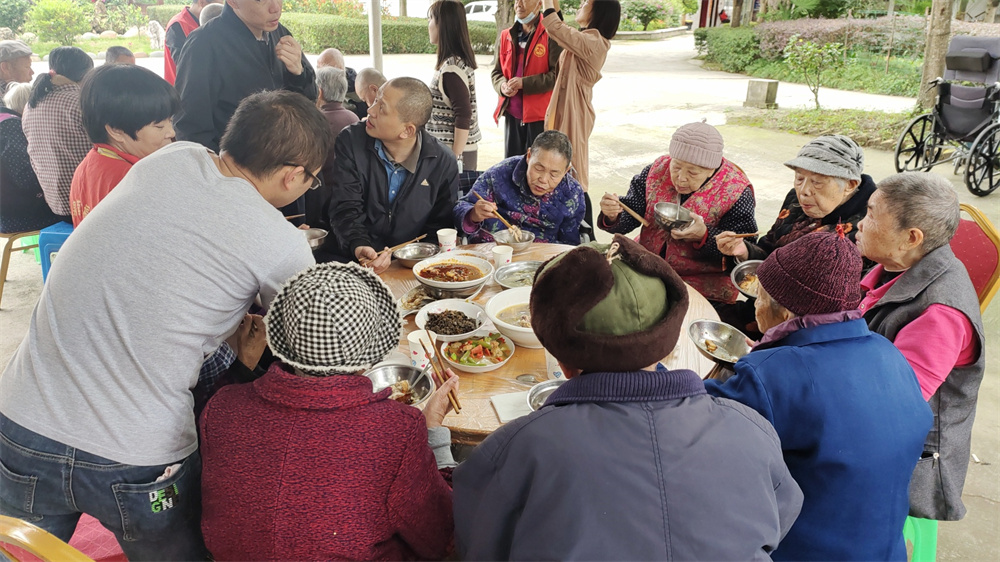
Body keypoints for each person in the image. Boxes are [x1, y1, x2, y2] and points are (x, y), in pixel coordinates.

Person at [0, 90, 332, 559]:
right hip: (139, 455)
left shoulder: (173, 157)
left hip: (20, 418)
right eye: (310, 181)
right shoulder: (281, 242)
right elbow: (309, 342)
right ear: (293, 174)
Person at [454, 235, 803, 559]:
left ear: (560, 356)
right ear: (668, 341)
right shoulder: (751, 429)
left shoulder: (519, 447)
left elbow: (477, 543)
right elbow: (780, 519)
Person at [200, 262, 458, 560]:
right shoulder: (397, 430)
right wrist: (434, 433)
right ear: (370, 353)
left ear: (281, 339)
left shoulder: (221, 407)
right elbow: (442, 536)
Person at [705, 231, 933, 560]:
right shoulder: (888, 352)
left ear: (784, 313)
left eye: (759, 297)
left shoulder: (773, 372)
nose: (755, 305)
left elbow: (704, 429)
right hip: (885, 550)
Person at [856, 172, 985, 523]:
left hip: (913, 459)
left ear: (911, 238)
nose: (860, 224)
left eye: (870, 214)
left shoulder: (939, 313)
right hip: (877, 417)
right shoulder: (895, 268)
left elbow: (893, 404)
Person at [715, 134, 875, 333]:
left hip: (805, 331)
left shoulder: (866, 228)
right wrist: (744, 252)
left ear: (850, 185)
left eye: (817, 182)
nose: (804, 191)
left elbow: (842, 307)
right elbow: (770, 249)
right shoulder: (796, 201)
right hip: (763, 309)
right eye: (799, 178)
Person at [598, 121, 755, 303]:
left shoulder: (736, 191)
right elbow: (632, 211)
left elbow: (744, 247)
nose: (681, 178)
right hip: (648, 265)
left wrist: (703, 236)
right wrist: (613, 214)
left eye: (693, 173)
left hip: (702, 282)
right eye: (677, 166)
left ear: (711, 170)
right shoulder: (655, 170)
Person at [326, 77, 459, 271]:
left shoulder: (442, 162)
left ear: (407, 130)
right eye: (376, 100)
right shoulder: (351, 141)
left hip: (413, 265)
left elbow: (438, 227)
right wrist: (359, 245)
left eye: (382, 108)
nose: (370, 110)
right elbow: (345, 207)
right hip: (355, 261)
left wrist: (411, 259)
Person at [173, 0, 317, 153]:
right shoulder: (204, 43)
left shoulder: (281, 34)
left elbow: (308, 102)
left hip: (283, 160)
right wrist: (223, 171)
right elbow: (189, 126)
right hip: (235, 167)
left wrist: (298, 74)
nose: (276, 8)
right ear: (233, 2)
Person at [540, 0, 620, 226]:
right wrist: (553, 6)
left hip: (576, 112)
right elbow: (563, 31)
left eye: (586, 2)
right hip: (567, 108)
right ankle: (564, 222)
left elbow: (556, 28)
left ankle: (583, 227)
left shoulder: (595, 43)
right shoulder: (587, 39)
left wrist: (547, 3)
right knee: (560, 164)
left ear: (598, 11)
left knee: (574, 169)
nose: (582, 3)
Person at [69, 64, 179, 227]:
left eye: (170, 120)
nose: (171, 132)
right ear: (116, 130)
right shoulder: (134, 181)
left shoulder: (89, 164)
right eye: (159, 126)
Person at [454, 130, 584, 244]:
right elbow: (460, 207)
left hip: (543, 257)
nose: (543, 180)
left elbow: (569, 244)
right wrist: (474, 214)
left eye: (554, 174)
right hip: (495, 251)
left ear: (566, 170)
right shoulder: (500, 173)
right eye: (538, 168)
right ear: (528, 156)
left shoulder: (572, 193)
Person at [21, 46, 94, 221]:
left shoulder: (31, 105)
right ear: (87, 74)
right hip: (87, 204)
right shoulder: (83, 102)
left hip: (55, 205)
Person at [492, 0, 562, 158]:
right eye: (517, 0)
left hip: (539, 117)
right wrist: (502, 86)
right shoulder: (506, 35)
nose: (519, 4)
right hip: (512, 114)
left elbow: (556, 75)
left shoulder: (550, 33)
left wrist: (524, 83)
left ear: (539, 4)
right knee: (511, 166)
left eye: (525, 0)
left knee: (536, 166)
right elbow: (496, 72)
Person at [427, 0, 482, 172]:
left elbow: (463, 114)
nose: (428, 25)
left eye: (430, 19)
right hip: (451, 152)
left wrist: (455, 157)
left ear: (442, 24)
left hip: (452, 154)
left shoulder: (452, 68)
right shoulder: (455, 62)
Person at [1, 83, 61, 233]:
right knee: (76, 210)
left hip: (9, 207)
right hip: (17, 215)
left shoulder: (4, 121)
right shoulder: (12, 128)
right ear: (29, 107)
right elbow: (26, 177)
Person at [309, 66, 359, 237]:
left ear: (319, 92)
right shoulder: (354, 118)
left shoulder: (316, 121)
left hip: (324, 199)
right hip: (352, 196)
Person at [164, 0, 222, 84]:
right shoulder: (178, 25)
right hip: (182, 89)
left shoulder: (208, 23)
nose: (220, 13)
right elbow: (184, 65)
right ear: (202, 2)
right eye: (216, 7)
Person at [316, 47, 368, 120]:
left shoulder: (358, 88)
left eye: (325, 67)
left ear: (339, 68)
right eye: (318, 67)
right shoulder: (318, 81)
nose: (319, 72)